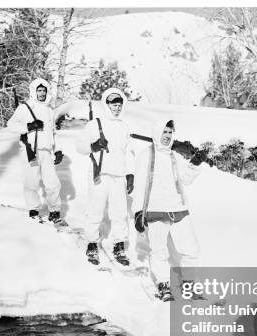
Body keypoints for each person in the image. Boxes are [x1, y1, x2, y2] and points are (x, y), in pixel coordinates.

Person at [132, 118, 203, 302]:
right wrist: (138, 212)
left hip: (177, 208)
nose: (167, 136)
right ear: (157, 132)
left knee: (191, 249)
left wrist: (195, 163)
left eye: (170, 133)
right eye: (164, 132)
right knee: (158, 250)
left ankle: (188, 285)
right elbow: (139, 185)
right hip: (155, 209)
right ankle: (164, 285)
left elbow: (185, 179)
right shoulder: (146, 155)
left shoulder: (174, 156)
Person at [78, 88, 134, 267]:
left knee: (119, 213)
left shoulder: (124, 126)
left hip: (118, 176)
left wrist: (130, 174)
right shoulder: (95, 124)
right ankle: (92, 243)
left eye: (119, 104)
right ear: (106, 104)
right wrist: (94, 145)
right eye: (113, 104)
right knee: (95, 209)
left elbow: (129, 153)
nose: (116, 108)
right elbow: (80, 146)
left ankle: (119, 245)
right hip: (100, 174)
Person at [7, 78, 64, 224]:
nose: (42, 93)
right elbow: (11, 125)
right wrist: (29, 126)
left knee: (53, 183)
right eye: (39, 90)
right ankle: (33, 209)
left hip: (46, 151)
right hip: (29, 150)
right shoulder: (25, 107)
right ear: (34, 91)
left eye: (44, 90)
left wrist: (57, 150)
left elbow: (53, 132)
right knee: (31, 182)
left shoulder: (50, 110)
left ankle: (54, 211)